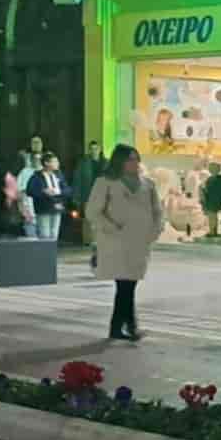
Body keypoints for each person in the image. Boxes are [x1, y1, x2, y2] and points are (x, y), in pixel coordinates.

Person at [89, 144, 161, 342]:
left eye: (137, 159)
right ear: (119, 161)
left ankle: (120, 327)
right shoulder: (105, 183)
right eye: (130, 159)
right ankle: (129, 327)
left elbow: (157, 211)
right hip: (116, 242)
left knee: (128, 285)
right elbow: (93, 211)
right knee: (125, 285)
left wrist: (154, 231)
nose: (135, 163)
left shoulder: (148, 184)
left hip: (139, 242)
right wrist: (112, 227)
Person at [26, 152, 66, 243]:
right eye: (54, 162)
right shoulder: (37, 176)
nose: (57, 164)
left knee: (54, 235)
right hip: (43, 209)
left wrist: (59, 191)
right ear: (46, 163)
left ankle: (52, 251)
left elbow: (67, 189)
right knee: (44, 235)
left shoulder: (59, 175)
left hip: (57, 207)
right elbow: (29, 191)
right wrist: (43, 192)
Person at [70, 141, 103, 239]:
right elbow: (77, 179)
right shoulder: (83, 163)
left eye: (96, 149)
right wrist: (76, 196)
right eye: (91, 149)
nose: (94, 151)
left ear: (100, 149)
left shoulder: (106, 163)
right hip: (88, 194)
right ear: (89, 150)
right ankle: (89, 240)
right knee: (89, 218)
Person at [201, 162, 221, 239]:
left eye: (212, 168)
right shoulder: (211, 179)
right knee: (212, 217)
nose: (210, 169)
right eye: (210, 168)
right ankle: (213, 231)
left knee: (213, 216)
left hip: (215, 200)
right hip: (213, 200)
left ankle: (213, 232)